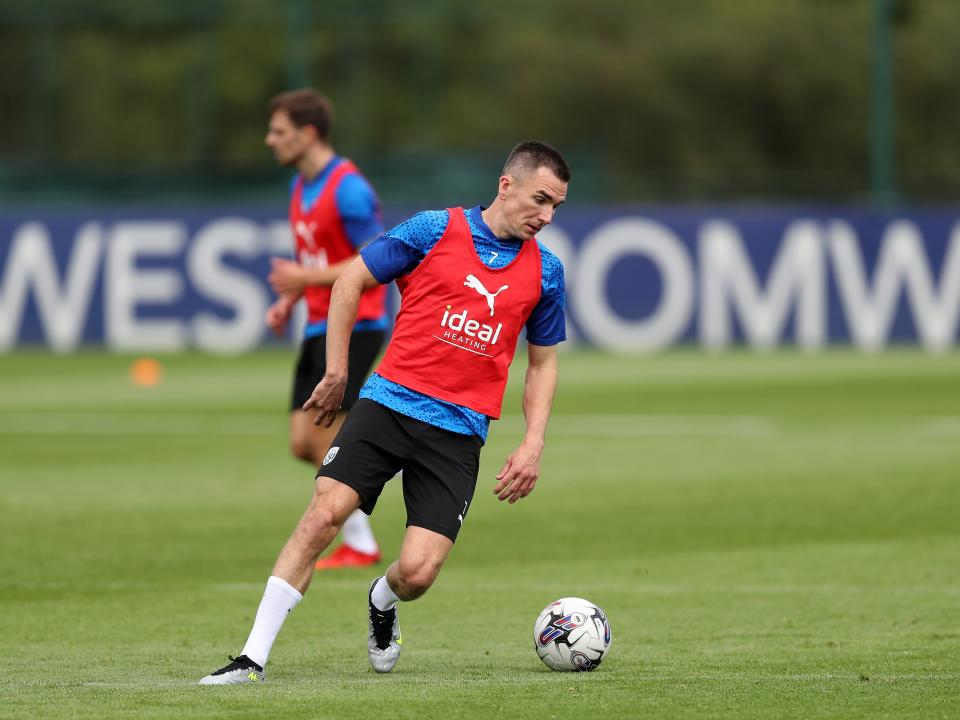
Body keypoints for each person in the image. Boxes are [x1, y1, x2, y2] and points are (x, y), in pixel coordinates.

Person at [200, 141, 570, 684]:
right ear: (506, 184)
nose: (547, 216)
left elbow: (542, 366)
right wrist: (337, 371)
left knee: (418, 573)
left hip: (459, 431)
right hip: (388, 405)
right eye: (540, 199)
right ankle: (250, 657)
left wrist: (533, 441)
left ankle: (382, 599)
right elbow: (352, 279)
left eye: (557, 206)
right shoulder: (432, 230)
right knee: (323, 514)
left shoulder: (548, 273)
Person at [263, 88, 385, 570]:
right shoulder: (300, 186)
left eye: (279, 131)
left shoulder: (349, 188)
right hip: (318, 321)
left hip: (359, 321)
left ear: (307, 133)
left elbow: (374, 259)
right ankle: (358, 532)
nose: (269, 140)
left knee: (320, 436)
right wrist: (288, 299)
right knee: (302, 440)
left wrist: (303, 279)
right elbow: (316, 259)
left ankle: (359, 538)